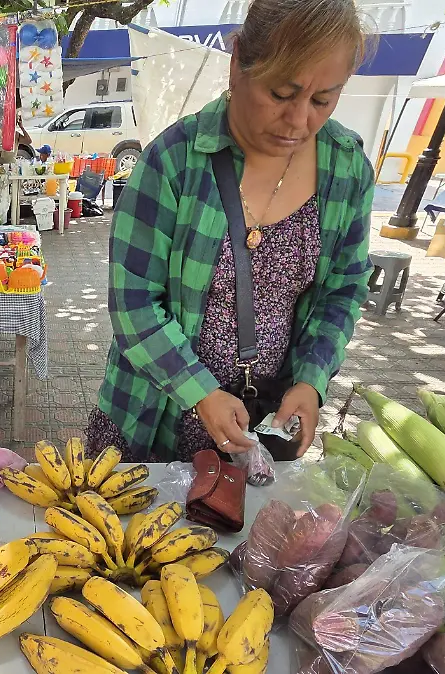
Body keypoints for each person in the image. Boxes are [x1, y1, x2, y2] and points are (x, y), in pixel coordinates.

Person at [86, 0, 374, 462]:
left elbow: (343, 291)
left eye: (323, 99)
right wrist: (200, 393)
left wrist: (311, 381)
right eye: (282, 93)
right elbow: (133, 303)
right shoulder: (173, 161)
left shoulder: (346, 169)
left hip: (264, 423)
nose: (300, 121)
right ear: (238, 60)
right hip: (153, 416)